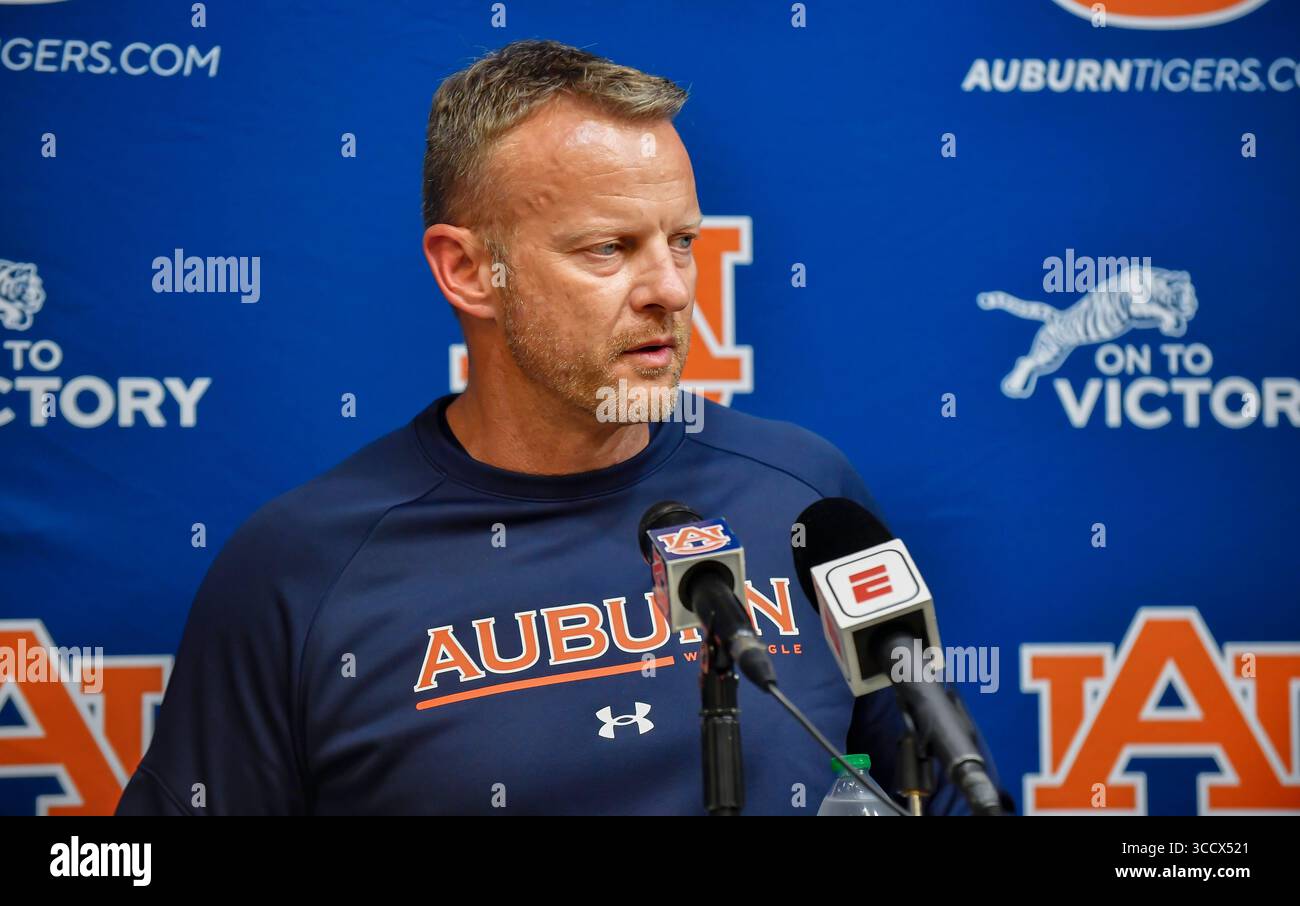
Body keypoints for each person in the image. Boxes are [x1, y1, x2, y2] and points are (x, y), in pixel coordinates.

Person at [116, 39, 1004, 815]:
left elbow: (932, 780)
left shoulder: (809, 498)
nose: (672, 289)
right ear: (468, 270)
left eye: (683, 241)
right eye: (608, 249)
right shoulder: (299, 573)